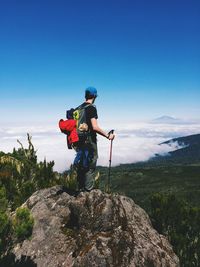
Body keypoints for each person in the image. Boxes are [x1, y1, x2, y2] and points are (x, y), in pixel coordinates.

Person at [73, 87, 115, 192]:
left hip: (78, 141)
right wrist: (108, 136)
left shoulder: (78, 109)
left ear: (85, 95)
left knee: (82, 163)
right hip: (89, 141)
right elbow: (95, 127)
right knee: (90, 164)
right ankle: (88, 192)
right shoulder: (91, 108)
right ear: (95, 96)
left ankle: (80, 189)